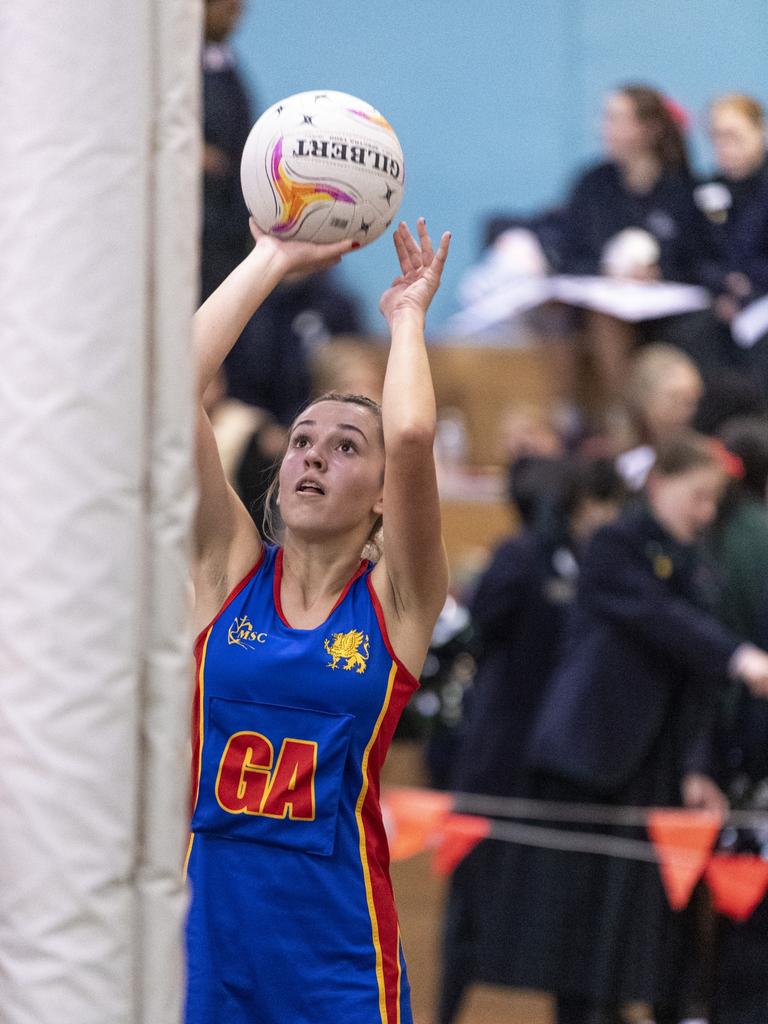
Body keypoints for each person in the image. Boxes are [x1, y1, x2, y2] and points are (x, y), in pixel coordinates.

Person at [185, 217, 451, 1024]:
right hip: (205, 940)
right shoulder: (226, 571)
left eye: (343, 448)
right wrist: (269, 258)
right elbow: (168, 390)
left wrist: (406, 315)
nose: (311, 456)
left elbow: (407, 432)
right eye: (302, 441)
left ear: (380, 497)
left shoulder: (398, 601)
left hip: (335, 954)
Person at [526, 432, 768, 1024]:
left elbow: (696, 683)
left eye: (715, 502)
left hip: (654, 770)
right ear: (659, 483)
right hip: (592, 760)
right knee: (581, 939)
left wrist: (696, 769)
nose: (706, 513)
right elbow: (661, 619)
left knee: (648, 936)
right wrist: (738, 656)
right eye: (698, 497)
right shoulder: (615, 543)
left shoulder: (696, 561)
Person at [436, 457, 626, 1024]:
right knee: (469, 914)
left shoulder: (603, 564)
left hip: (565, 770)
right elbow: (479, 633)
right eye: (601, 504)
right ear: (576, 504)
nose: (610, 517)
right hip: (499, 760)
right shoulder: (519, 557)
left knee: (573, 923)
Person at [558, 84, 713, 406]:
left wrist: (660, 271)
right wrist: (606, 269)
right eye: (606, 118)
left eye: (617, 119)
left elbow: (701, 257)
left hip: (670, 307)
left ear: (648, 129)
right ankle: (620, 416)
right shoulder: (593, 184)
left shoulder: (683, 188)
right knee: (599, 318)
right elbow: (569, 251)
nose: (606, 129)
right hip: (608, 302)